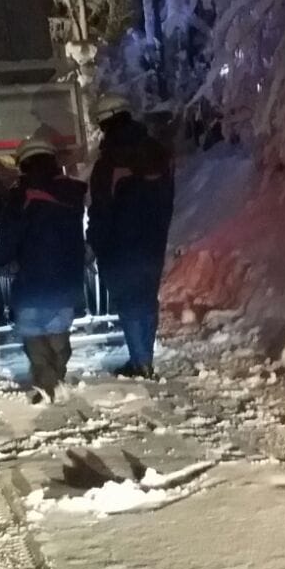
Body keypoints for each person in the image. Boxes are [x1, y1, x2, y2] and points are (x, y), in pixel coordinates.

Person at [87, 93, 174, 379]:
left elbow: (101, 211)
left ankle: (140, 364)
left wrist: (94, 245)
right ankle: (143, 357)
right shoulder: (158, 153)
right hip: (154, 241)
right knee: (147, 300)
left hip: (120, 247)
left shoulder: (110, 163)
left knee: (129, 303)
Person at [0, 137, 87, 402]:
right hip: (68, 279)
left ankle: (47, 383)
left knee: (33, 332)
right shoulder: (73, 192)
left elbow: (7, 240)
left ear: (24, 164)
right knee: (59, 332)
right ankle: (54, 378)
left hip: (32, 280)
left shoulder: (20, 196)